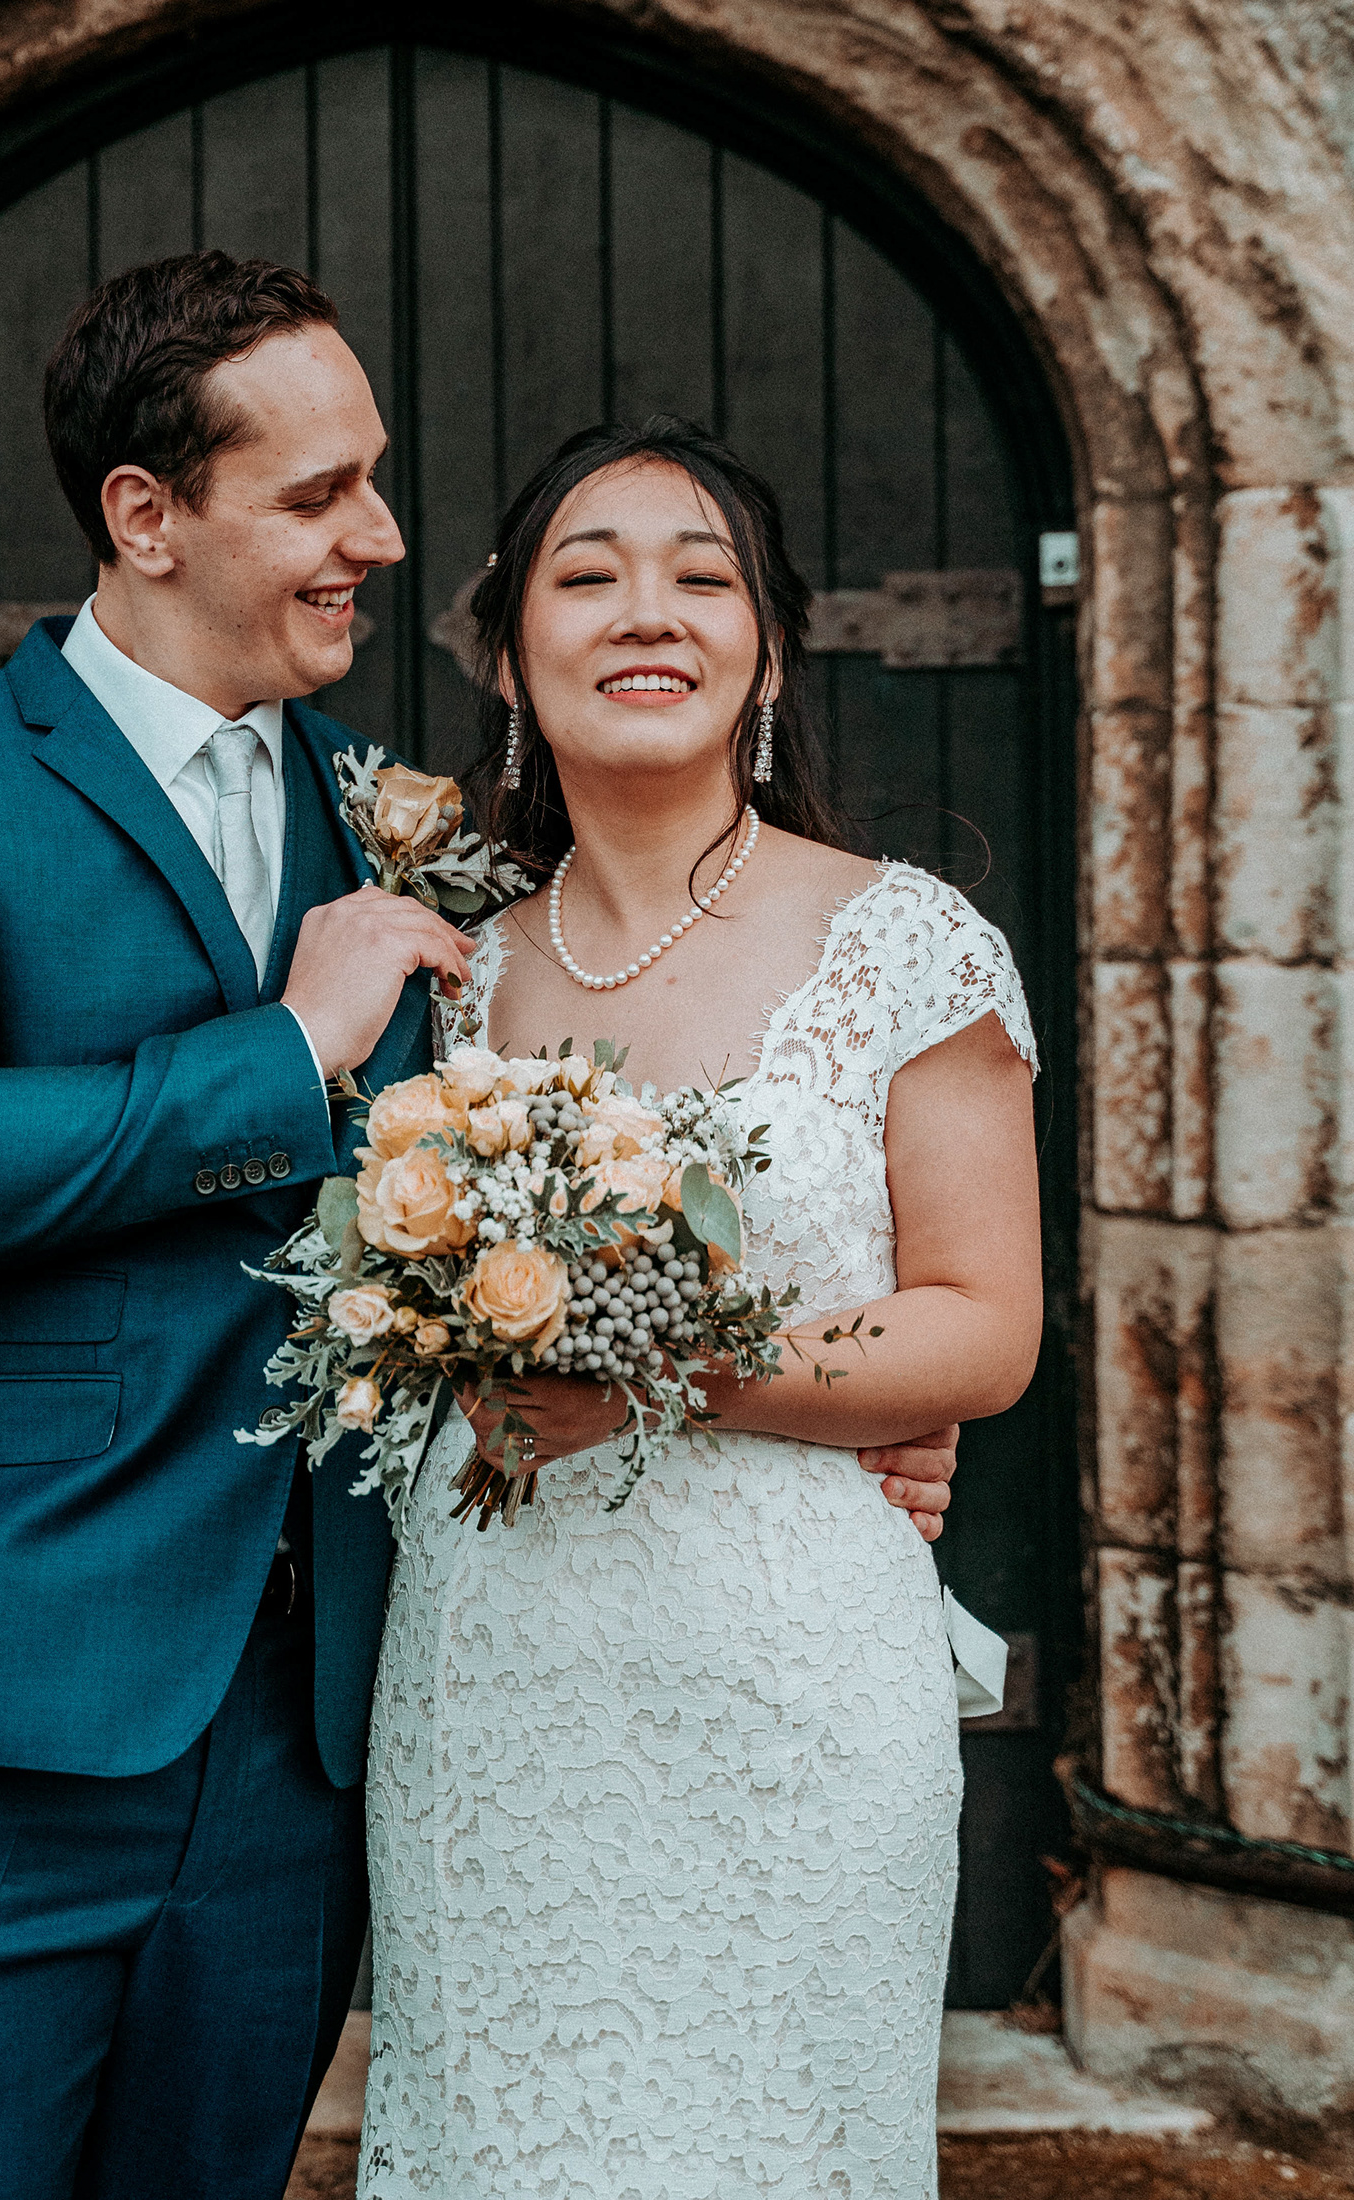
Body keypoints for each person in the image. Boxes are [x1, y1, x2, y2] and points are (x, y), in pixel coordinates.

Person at [0, 256, 958, 2198]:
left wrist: (826, 1407)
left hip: (307, 1742)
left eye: (374, 481)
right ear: (146, 516)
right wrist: (286, 1050)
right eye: (320, 495)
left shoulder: (401, 833)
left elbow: (588, 1192)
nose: (380, 535)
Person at [361, 418, 1043, 2200]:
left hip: (793, 1691)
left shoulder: (909, 943)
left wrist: (661, 1372)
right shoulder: (445, 968)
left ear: (768, 652)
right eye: (585, 577)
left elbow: (984, 1328)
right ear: (508, 657)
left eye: (700, 574)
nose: (643, 612)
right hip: (494, 1682)